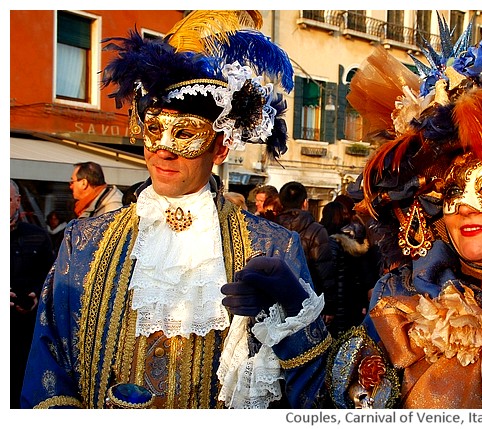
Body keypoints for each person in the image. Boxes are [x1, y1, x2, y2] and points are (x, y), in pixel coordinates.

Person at [223, 10, 482, 409]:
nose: (463, 206)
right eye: (453, 189)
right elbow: (330, 405)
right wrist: (294, 311)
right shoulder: (401, 301)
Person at [21, 10, 330, 409]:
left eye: (185, 133)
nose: (164, 148)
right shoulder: (83, 243)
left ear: (221, 147)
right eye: (154, 129)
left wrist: (293, 316)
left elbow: (310, 395)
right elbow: (48, 372)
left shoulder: (273, 248)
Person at [10, 180, 55, 409]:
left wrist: (37, 294)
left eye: (8, 200)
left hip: (28, 327)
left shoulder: (37, 235)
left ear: (18, 202)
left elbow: (51, 275)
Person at [276, 181, 337, 324]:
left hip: (277, 297)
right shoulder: (316, 230)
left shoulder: (271, 227)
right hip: (308, 300)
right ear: (305, 203)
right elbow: (324, 270)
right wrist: (329, 306)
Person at [320, 201, 377, 337]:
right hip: (349, 301)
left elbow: (329, 276)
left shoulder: (327, 241)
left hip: (338, 301)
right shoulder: (351, 243)